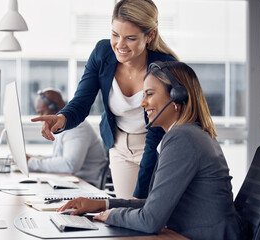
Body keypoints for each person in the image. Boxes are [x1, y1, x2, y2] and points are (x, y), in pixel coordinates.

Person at [57, 61, 244, 240]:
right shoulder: (190, 133)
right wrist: (102, 204)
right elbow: (155, 204)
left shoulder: (183, 138)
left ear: (177, 96)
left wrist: (111, 215)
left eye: (149, 94)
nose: (142, 103)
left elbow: (150, 220)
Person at [31, 0, 178, 199]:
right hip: (118, 145)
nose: (120, 45)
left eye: (131, 38)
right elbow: (82, 100)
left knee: (149, 212)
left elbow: (157, 131)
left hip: (155, 144)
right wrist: (62, 118)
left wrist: (140, 194)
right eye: (115, 35)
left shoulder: (165, 67)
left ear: (149, 36)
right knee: (127, 216)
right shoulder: (102, 53)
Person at [27, 89, 107, 188]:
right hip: (71, 182)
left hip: (85, 186)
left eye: (42, 112)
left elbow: (69, 165)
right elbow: (57, 158)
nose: (40, 118)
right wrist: (33, 158)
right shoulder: (61, 127)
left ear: (54, 107)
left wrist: (31, 162)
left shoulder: (77, 127)